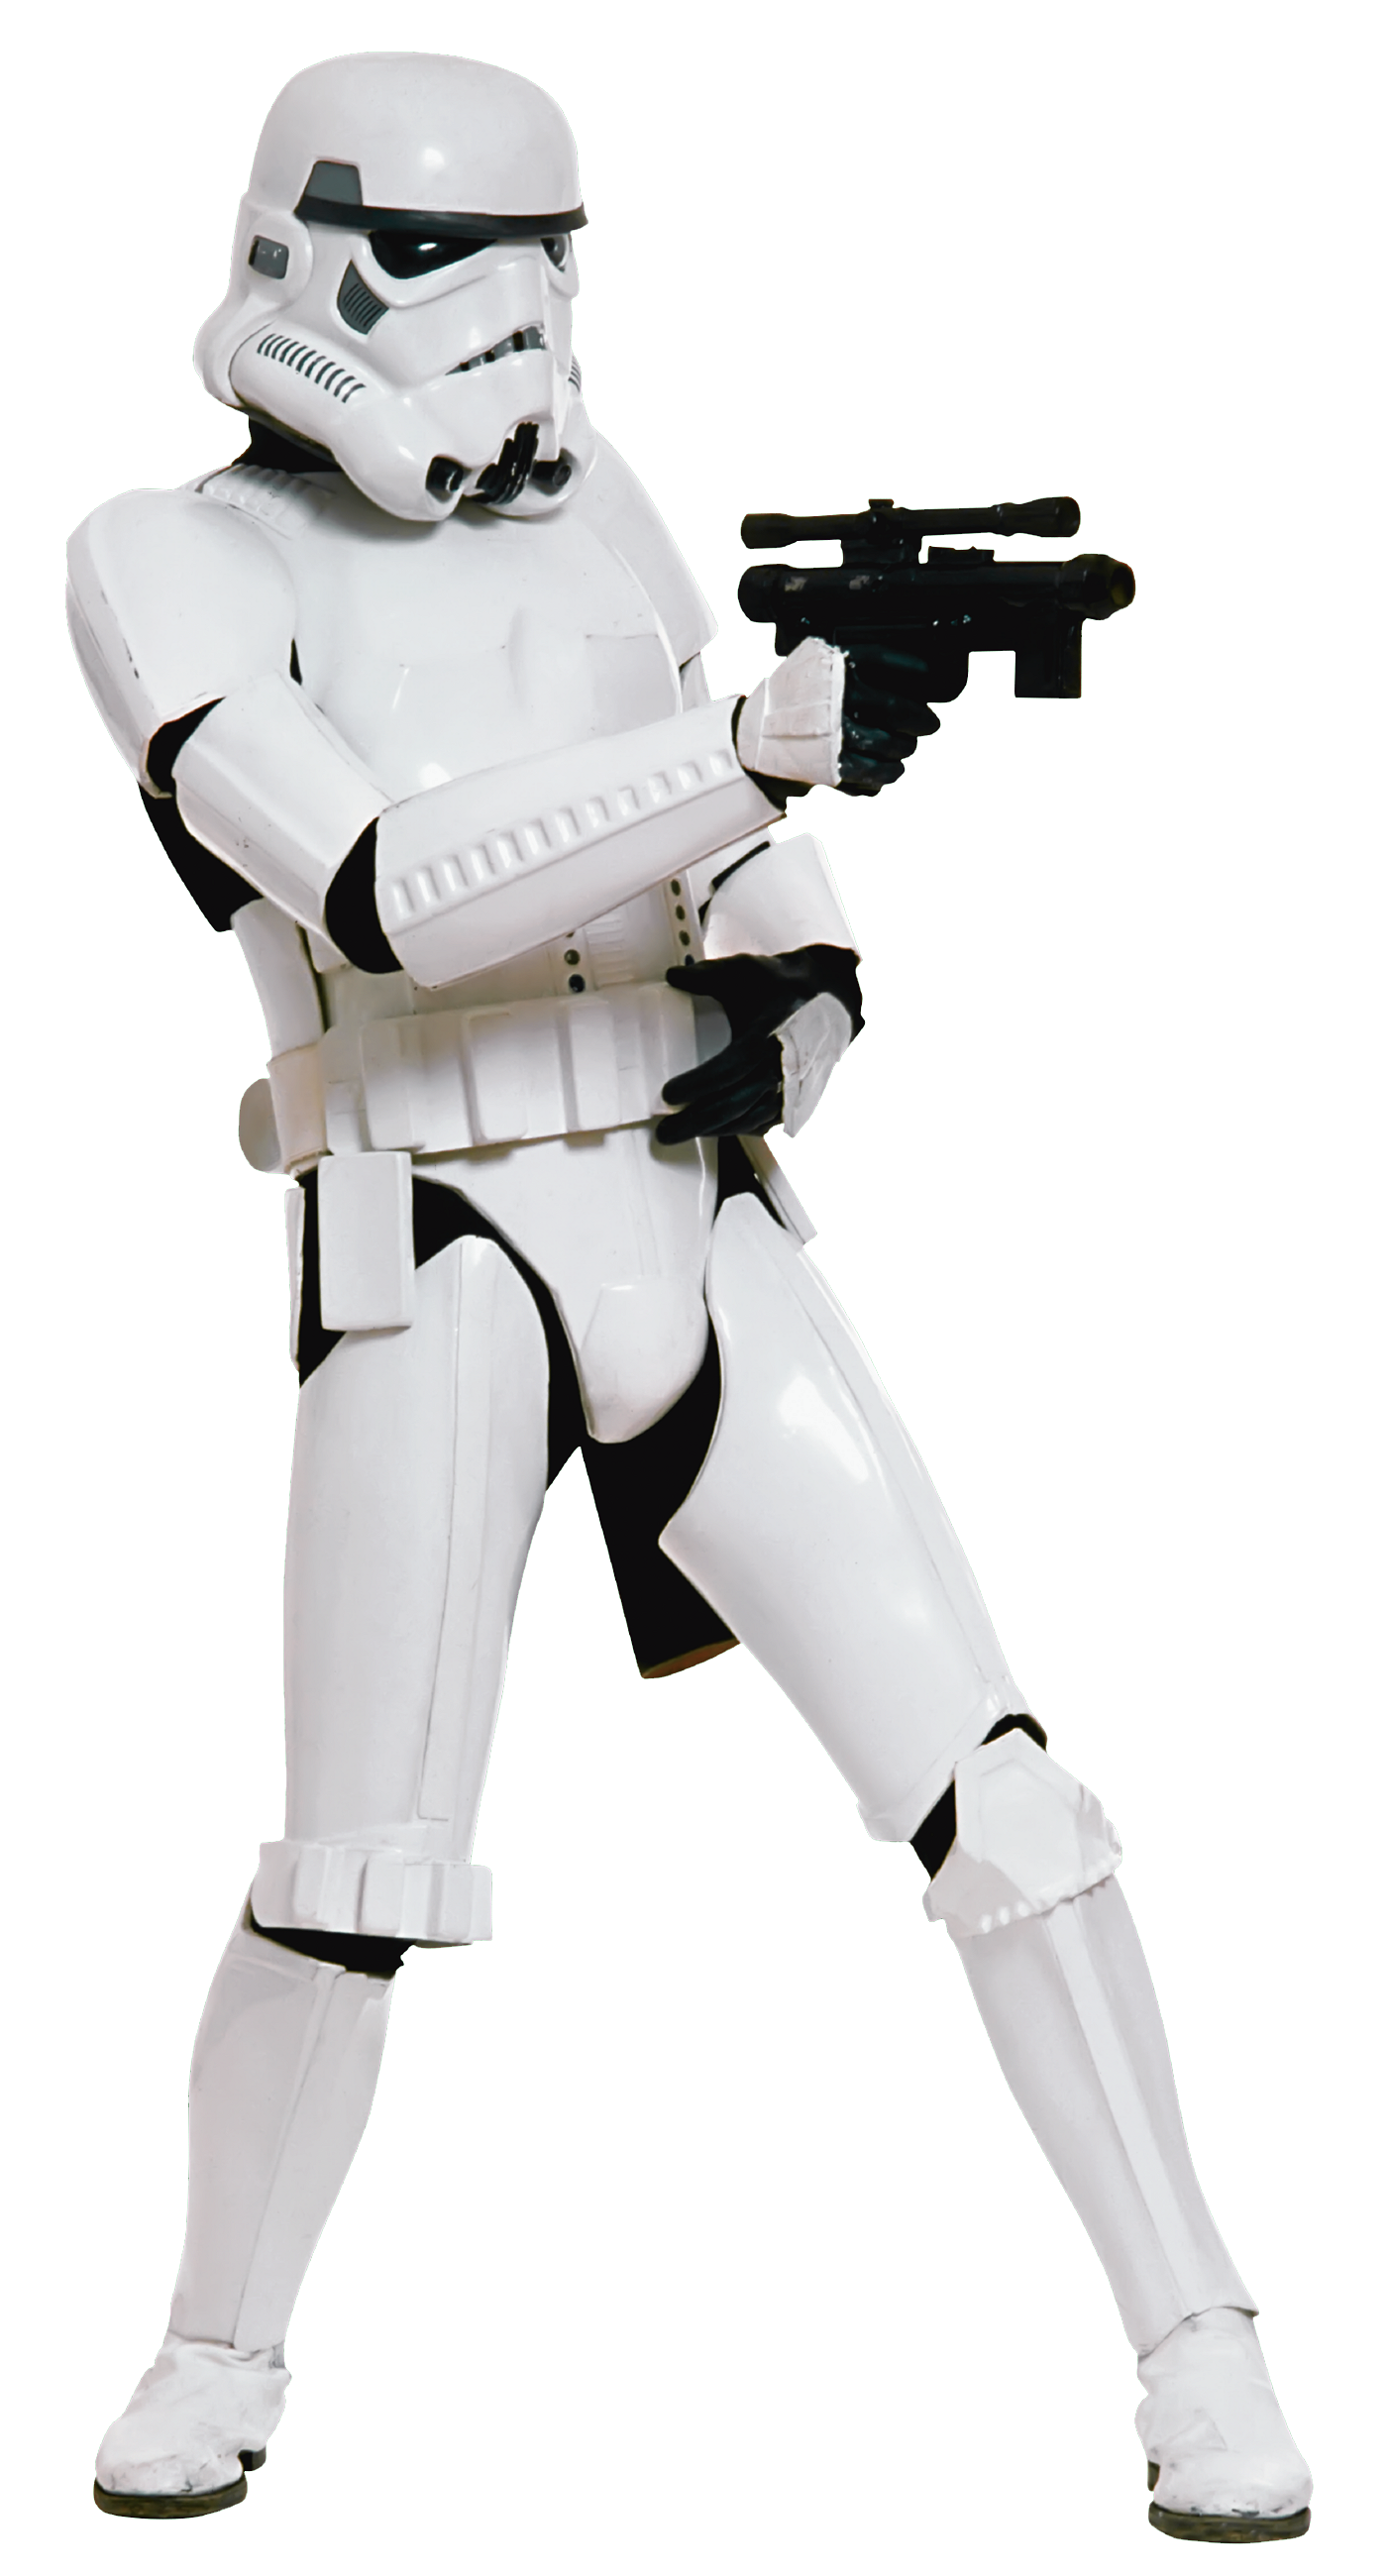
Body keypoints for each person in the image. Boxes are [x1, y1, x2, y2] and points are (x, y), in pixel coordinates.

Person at [65, 50, 1311, 2540]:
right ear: (319, 259)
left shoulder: (596, 505)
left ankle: (1201, 2343)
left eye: (551, 263)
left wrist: (801, 985)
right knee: (354, 1873)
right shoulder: (172, 558)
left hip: (694, 1210)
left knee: (1007, 1794)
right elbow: (387, 888)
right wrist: (749, 756)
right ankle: (215, 2345)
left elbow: (744, 875)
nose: (516, 321)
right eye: (463, 264)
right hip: (427, 1246)